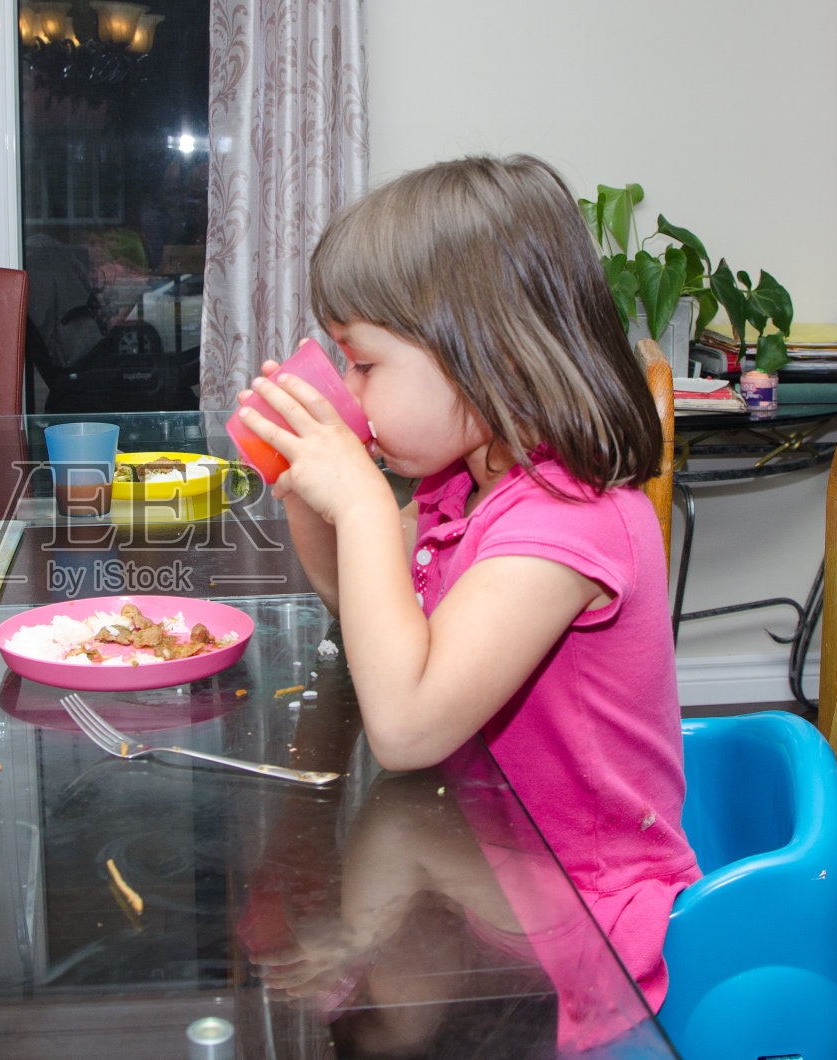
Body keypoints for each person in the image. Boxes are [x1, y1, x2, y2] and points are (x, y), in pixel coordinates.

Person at [234, 154, 701, 1044]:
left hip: (586, 905)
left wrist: (366, 503)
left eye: (364, 363)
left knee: (393, 830)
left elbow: (405, 729)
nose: (353, 392)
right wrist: (308, 497)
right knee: (391, 838)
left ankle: (357, 953)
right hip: (494, 845)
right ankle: (364, 961)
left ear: (482, 356)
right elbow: (366, 615)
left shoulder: (570, 524)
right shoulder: (471, 487)